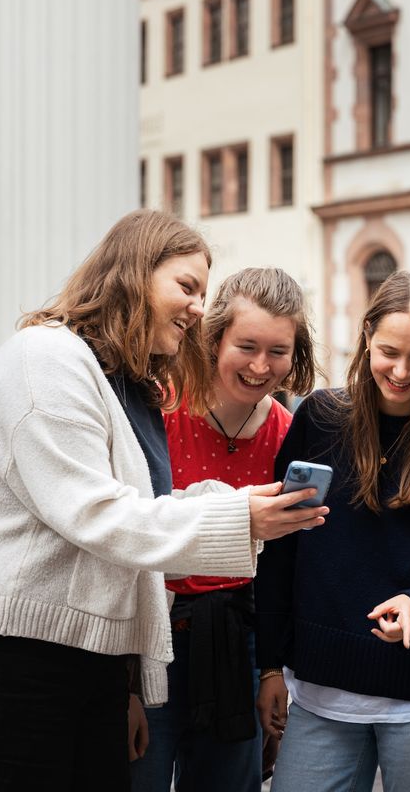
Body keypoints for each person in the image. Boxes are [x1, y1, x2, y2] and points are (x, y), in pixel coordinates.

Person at [0, 210, 327, 791]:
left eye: (203, 293)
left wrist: (247, 513)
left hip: (81, 655)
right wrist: (239, 515)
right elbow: (99, 516)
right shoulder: (47, 359)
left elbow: (145, 508)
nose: (199, 309)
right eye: (186, 287)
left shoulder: (123, 384)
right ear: (132, 273)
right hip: (2, 651)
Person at [253, 270, 410, 792]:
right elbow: (280, 550)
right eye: (389, 351)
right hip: (320, 694)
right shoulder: (320, 419)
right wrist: (269, 667)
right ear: (367, 334)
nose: (400, 370)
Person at [130, 268, 317, 791]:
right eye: (247, 345)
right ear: (215, 339)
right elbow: (124, 536)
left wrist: (271, 672)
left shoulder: (288, 434)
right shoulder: (159, 408)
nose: (261, 366)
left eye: (278, 350)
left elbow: (284, 566)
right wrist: (122, 683)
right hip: (152, 637)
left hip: (240, 642)